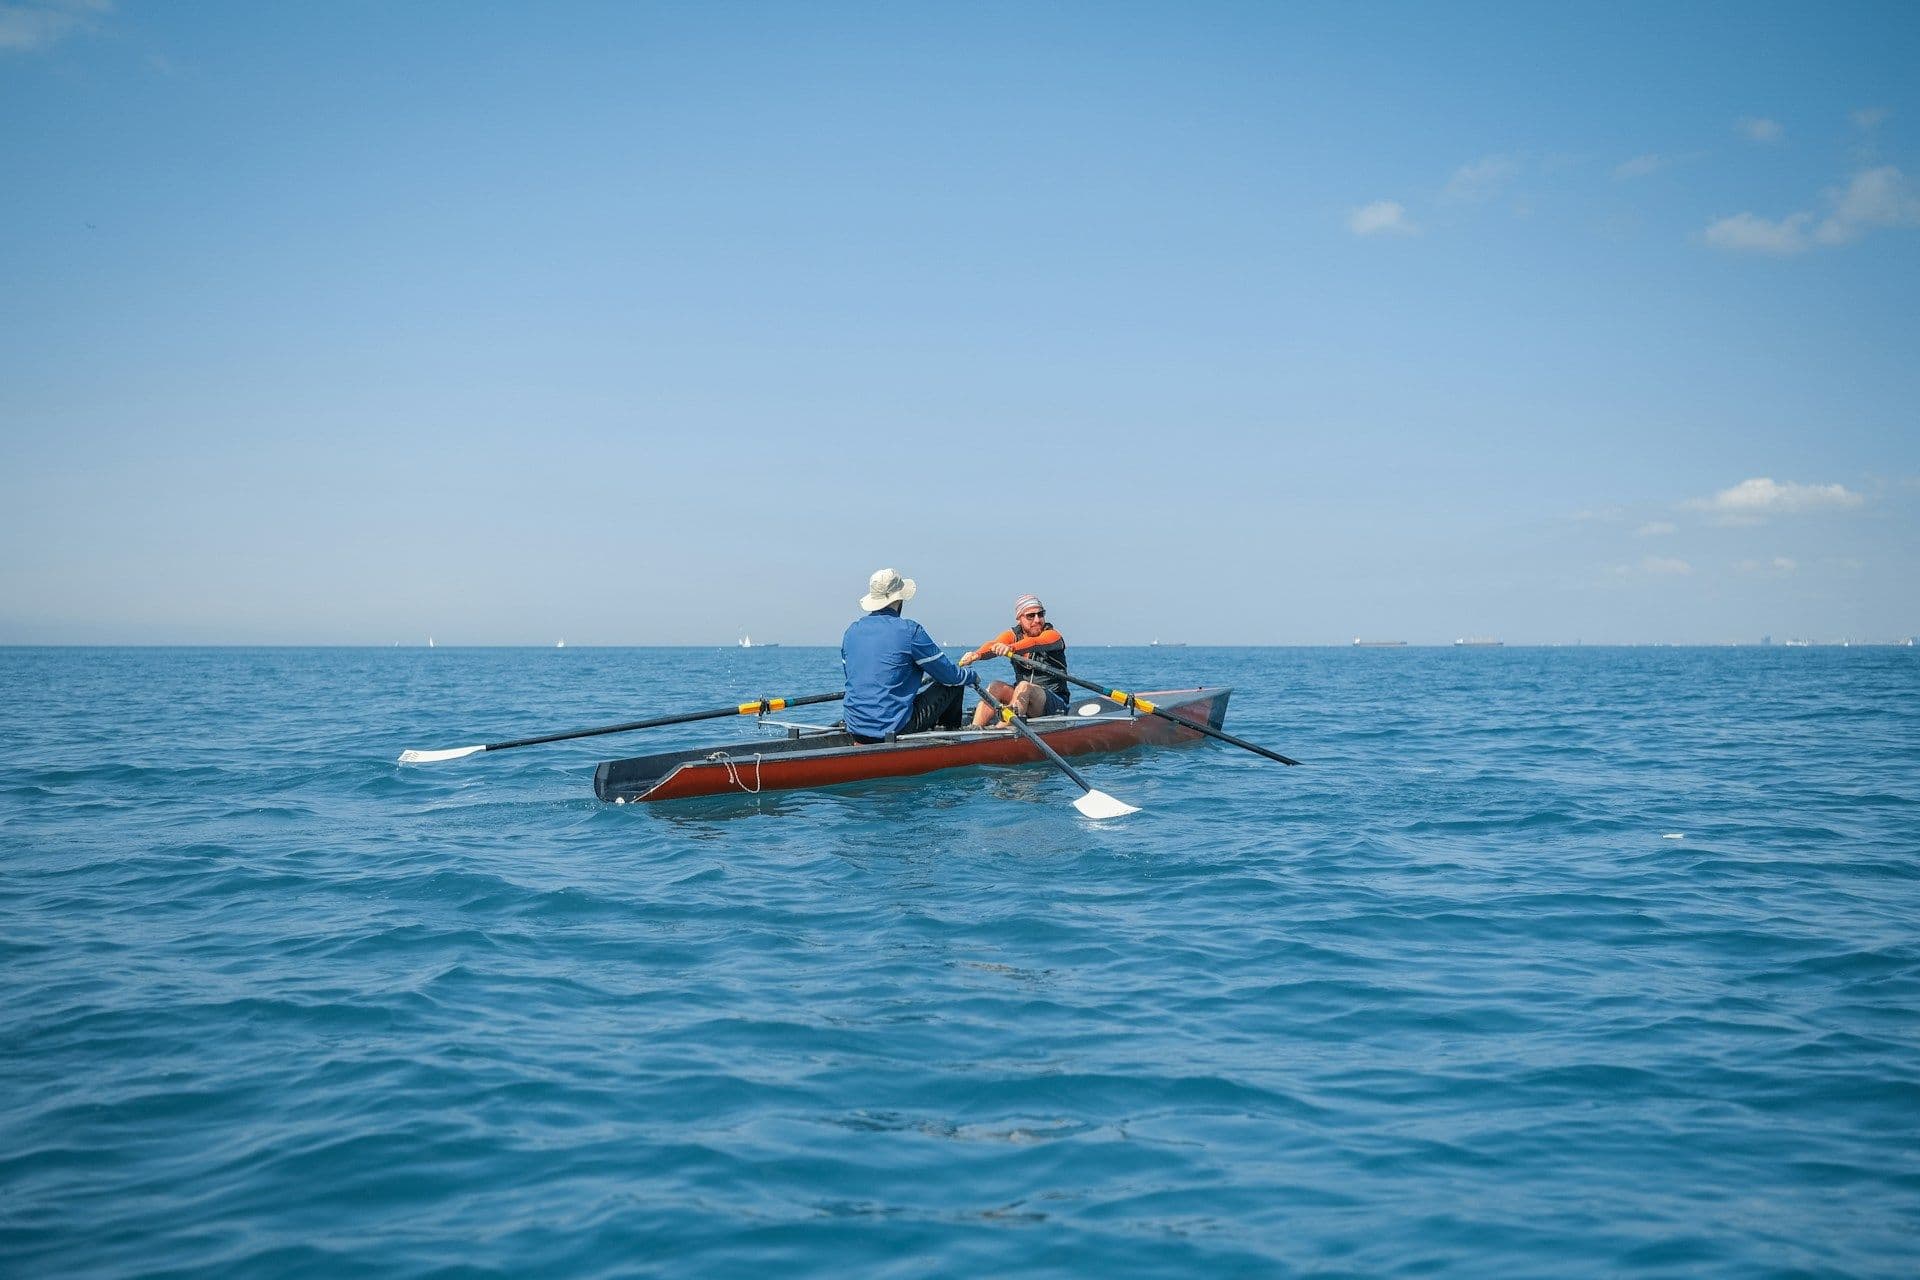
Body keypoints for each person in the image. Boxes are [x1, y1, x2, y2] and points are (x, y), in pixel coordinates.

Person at [841, 568, 981, 743]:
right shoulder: (910, 631)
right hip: (895, 728)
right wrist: (971, 676)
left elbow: (852, 676)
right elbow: (950, 676)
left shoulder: (851, 631)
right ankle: (951, 737)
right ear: (899, 599)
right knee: (954, 685)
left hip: (854, 727)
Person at [958, 593, 1069, 728]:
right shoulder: (1012, 635)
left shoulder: (1053, 636)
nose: (1037, 620)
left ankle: (1001, 732)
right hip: (1023, 701)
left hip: (1054, 702)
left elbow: (1034, 642)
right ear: (1019, 619)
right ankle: (974, 728)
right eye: (1030, 616)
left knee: (1023, 686)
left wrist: (1010, 648)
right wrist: (976, 655)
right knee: (995, 686)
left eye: (1040, 614)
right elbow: (993, 645)